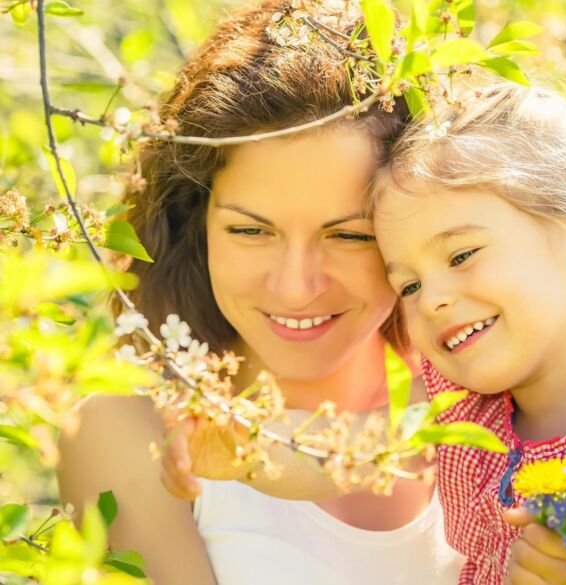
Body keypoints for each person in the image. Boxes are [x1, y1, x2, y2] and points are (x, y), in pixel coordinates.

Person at [57, 2, 464, 584]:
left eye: (349, 235)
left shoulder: (488, 398)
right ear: (195, 222)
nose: (296, 286)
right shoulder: (133, 430)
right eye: (250, 231)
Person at [372, 83, 566, 584]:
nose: (431, 299)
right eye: (408, 285)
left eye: (462, 255)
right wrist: (231, 446)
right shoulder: (460, 409)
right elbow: (345, 451)